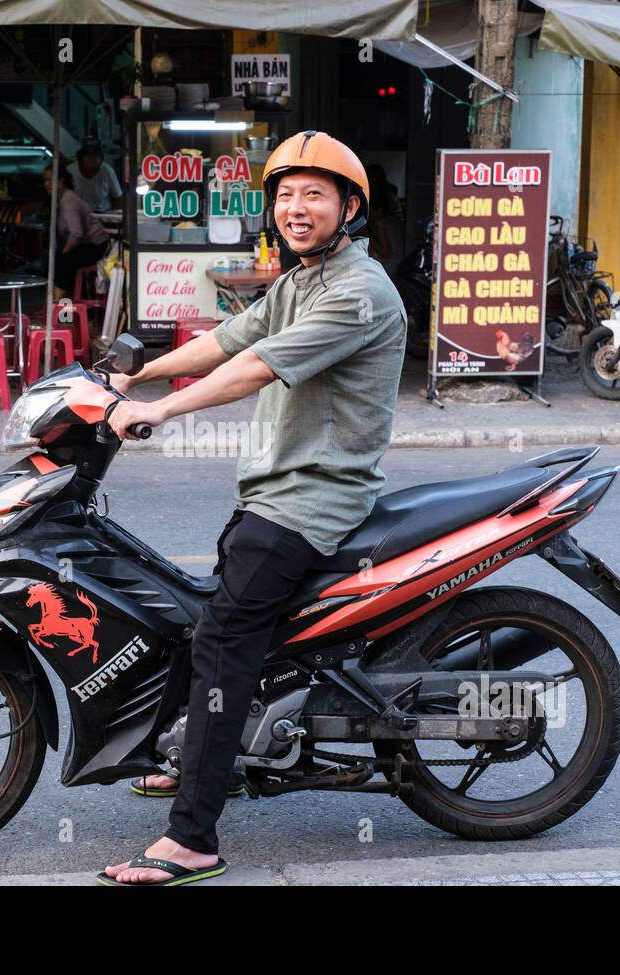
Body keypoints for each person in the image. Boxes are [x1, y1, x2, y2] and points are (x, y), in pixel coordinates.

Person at [99, 131, 407, 886]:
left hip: (313, 498)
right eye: (286, 195)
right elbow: (227, 340)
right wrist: (132, 379)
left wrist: (163, 412)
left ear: (350, 208)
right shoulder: (303, 279)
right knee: (202, 620)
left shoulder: (356, 291)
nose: (297, 209)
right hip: (273, 491)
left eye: (315, 195)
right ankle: (215, 758)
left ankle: (193, 839)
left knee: (223, 641)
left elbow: (253, 369)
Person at [44, 164, 110, 301]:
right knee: (57, 260)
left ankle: (61, 306)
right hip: (88, 245)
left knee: (62, 262)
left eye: (50, 180)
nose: (46, 184)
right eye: (45, 180)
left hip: (96, 246)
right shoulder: (62, 200)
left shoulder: (68, 202)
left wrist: (64, 253)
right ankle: (59, 305)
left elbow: (76, 234)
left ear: (61, 182)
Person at [71, 142, 123, 212]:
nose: (92, 174)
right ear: (79, 164)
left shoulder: (107, 171)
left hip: (103, 214)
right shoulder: (70, 172)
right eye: (88, 170)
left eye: (95, 170)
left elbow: (118, 197)